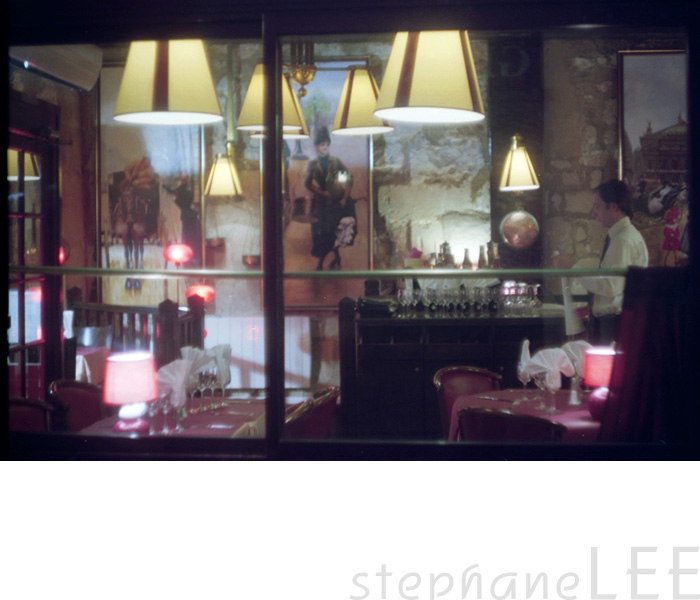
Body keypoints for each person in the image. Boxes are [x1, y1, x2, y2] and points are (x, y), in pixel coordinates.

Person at [552, 179, 648, 344]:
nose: (593, 212)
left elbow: (610, 286)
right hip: (611, 321)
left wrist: (572, 268)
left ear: (613, 206)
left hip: (615, 323)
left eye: (597, 206)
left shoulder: (623, 240)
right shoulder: (619, 237)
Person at [304, 126, 355, 270]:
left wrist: (344, 198)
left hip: (335, 203)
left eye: (327, 144)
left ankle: (322, 263)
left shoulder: (335, 162)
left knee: (334, 231)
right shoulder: (313, 164)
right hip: (321, 204)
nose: (325, 147)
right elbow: (307, 183)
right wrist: (320, 192)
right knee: (321, 233)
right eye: (322, 145)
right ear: (317, 147)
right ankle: (335, 258)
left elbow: (348, 179)